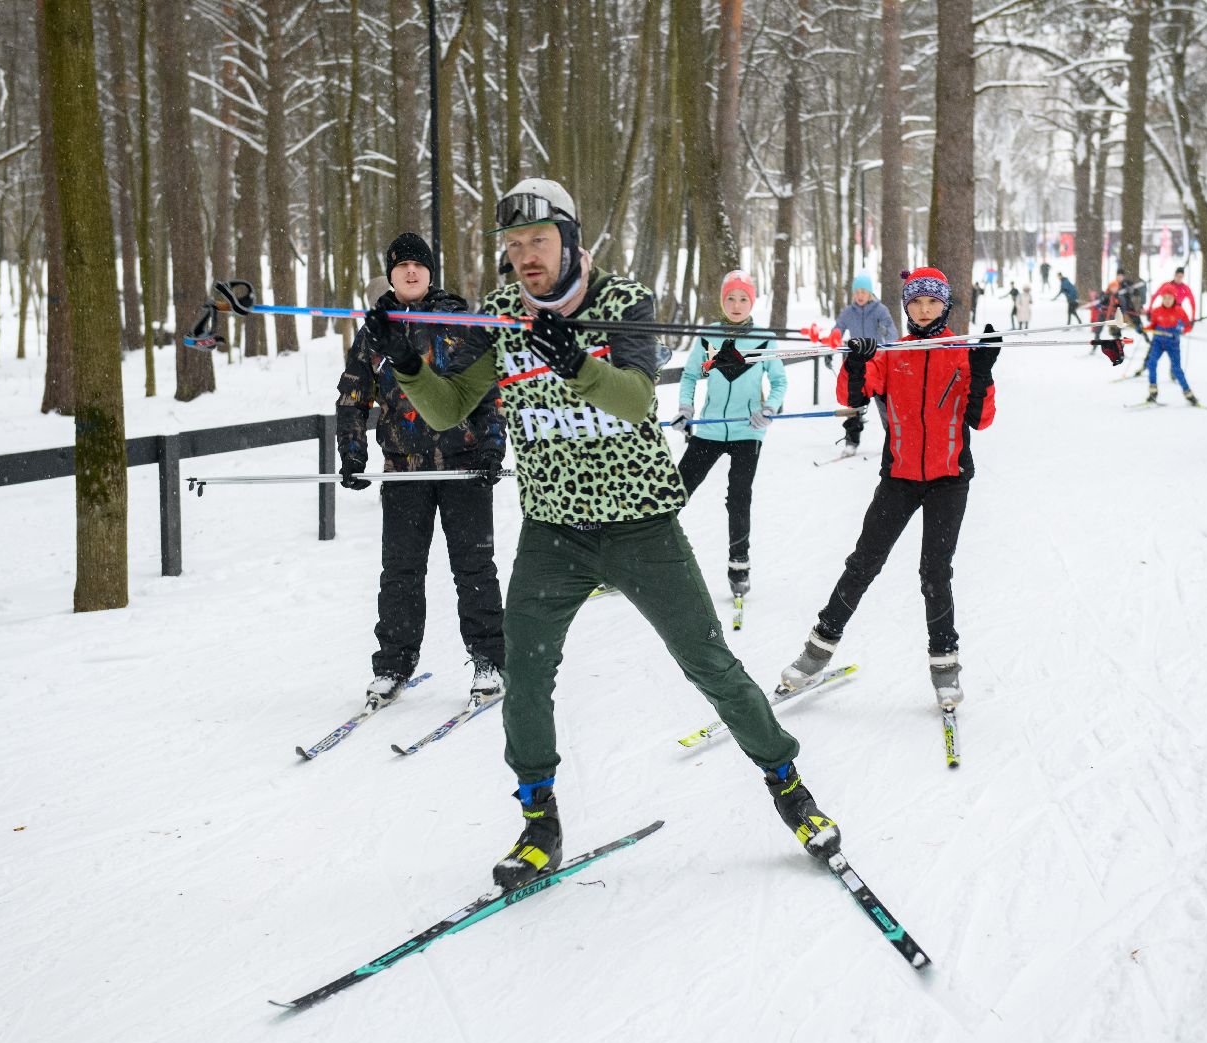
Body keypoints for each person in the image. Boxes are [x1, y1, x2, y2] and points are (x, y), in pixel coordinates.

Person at [380, 177, 841, 889]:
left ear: (571, 240)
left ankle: (787, 783)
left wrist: (576, 362)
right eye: (513, 245)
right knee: (526, 672)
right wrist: (407, 364)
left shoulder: (625, 301)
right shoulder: (502, 312)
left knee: (707, 663)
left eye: (538, 240)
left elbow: (631, 398)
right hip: (553, 530)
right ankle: (539, 820)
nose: (526, 256)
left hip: (640, 523)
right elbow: (448, 410)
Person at [779, 267, 998, 708]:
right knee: (863, 562)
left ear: (945, 305)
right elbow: (853, 397)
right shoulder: (892, 353)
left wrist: (983, 371)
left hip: (949, 479)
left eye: (932, 302)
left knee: (934, 573)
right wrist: (856, 360)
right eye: (915, 302)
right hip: (898, 477)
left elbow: (982, 418)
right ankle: (816, 651)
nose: (923, 310)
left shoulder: (960, 352)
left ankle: (945, 666)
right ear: (905, 306)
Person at [336, 232, 507, 704]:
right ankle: (393, 664)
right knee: (401, 571)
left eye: (419, 264)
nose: (411, 271)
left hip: (464, 466)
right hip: (404, 470)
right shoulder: (376, 329)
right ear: (389, 275)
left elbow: (489, 392)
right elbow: (353, 395)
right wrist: (352, 453)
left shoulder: (459, 322)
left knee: (474, 567)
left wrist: (492, 449)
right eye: (401, 265)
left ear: (431, 273)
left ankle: (490, 659)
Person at [671, 269, 785, 598]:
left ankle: (739, 565)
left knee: (738, 496)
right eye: (731, 298)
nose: (737, 304)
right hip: (709, 428)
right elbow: (691, 375)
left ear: (752, 301)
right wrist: (685, 408)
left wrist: (769, 409)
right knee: (677, 489)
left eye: (743, 298)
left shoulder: (764, 338)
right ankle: (643, 553)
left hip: (747, 430)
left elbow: (779, 382)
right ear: (723, 301)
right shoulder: (708, 336)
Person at [832, 272, 898, 457]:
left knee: (884, 403)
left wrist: (887, 339)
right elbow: (837, 328)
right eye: (857, 292)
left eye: (863, 291)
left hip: (877, 364)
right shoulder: (848, 312)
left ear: (870, 293)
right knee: (854, 405)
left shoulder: (880, 310)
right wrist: (835, 338)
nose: (860, 295)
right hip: (857, 365)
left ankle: (893, 441)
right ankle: (851, 441)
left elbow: (892, 332)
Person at [1143, 283, 1199, 405]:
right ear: (1162, 298)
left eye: (1170, 298)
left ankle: (1188, 393)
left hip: (1173, 344)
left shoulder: (1179, 311)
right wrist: (1144, 328)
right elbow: (1153, 325)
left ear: (1174, 299)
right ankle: (1153, 392)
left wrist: (1181, 331)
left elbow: (1188, 326)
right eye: (1165, 298)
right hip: (1158, 342)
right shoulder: (1157, 311)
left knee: (1176, 369)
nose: (1167, 301)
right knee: (1151, 363)